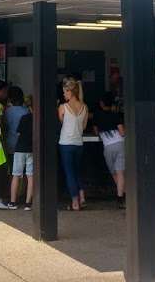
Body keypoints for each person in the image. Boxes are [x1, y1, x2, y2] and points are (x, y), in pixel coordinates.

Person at [58, 78, 88, 211]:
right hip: (78, 143)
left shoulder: (63, 107)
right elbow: (84, 126)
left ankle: (75, 202)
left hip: (65, 143)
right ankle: (82, 197)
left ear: (70, 92)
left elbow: (61, 122)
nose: (64, 95)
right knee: (77, 171)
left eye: (65, 92)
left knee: (69, 173)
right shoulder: (84, 107)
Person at [93, 91, 126, 208]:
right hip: (120, 145)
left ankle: (122, 194)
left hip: (107, 147)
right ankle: (121, 196)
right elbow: (122, 132)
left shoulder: (97, 116)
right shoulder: (115, 115)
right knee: (120, 172)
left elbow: (96, 132)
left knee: (114, 173)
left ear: (101, 103)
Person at [8, 98, 33, 210]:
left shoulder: (24, 118)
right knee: (30, 176)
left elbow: (18, 132)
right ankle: (28, 203)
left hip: (20, 148)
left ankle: (13, 202)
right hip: (32, 149)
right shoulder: (40, 119)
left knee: (16, 175)